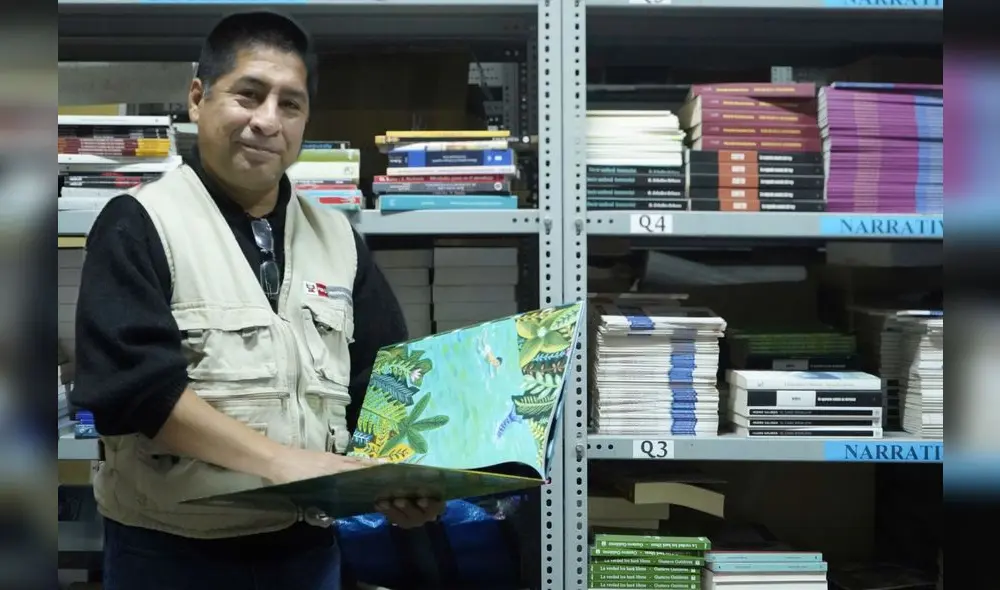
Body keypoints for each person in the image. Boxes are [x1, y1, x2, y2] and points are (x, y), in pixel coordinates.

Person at [69, 11, 444, 590]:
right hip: (170, 553)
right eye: (249, 95)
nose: (267, 121)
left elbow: (383, 381)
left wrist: (395, 479)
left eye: (289, 104)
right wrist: (284, 463)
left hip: (307, 552)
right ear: (198, 98)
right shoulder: (140, 223)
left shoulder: (338, 239)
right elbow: (134, 392)